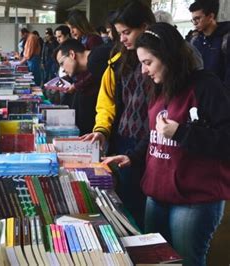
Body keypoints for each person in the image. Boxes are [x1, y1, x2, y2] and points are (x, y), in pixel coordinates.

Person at [103, 22, 230, 266]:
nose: (143, 71)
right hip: (158, 193)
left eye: (148, 62)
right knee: (156, 260)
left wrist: (182, 133)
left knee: (187, 260)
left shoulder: (206, 86)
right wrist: (134, 156)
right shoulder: (159, 88)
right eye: (141, 63)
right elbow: (154, 133)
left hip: (194, 198)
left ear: (168, 57)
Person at [81, 0, 156, 230]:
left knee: (151, 204)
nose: (122, 38)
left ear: (145, 27)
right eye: (119, 33)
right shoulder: (116, 63)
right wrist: (101, 130)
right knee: (128, 202)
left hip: (156, 143)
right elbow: (106, 104)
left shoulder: (163, 63)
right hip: (124, 141)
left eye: (127, 32)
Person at [55, 39, 111, 135]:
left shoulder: (95, 61)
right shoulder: (95, 58)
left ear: (72, 54)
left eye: (62, 63)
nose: (63, 70)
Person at [189, 0, 230, 88]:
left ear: (211, 16)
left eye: (198, 18)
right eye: (193, 19)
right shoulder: (194, 40)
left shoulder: (226, 39)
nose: (195, 23)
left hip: (221, 96)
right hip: (198, 94)